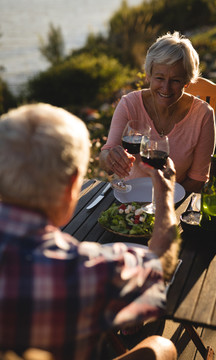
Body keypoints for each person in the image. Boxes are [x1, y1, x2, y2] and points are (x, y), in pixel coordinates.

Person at [0, 103, 179, 360]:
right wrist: (164, 192)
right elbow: (159, 266)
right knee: (162, 347)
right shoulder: (87, 271)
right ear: (74, 183)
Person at [99, 31, 216, 193]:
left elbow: (197, 180)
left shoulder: (203, 115)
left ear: (187, 82)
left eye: (175, 81)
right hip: (130, 200)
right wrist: (110, 158)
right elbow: (105, 158)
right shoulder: (129, 104)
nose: (166, 88)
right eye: (159, 78)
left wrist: (163, 203)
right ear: (149, 75)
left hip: (173, 200)